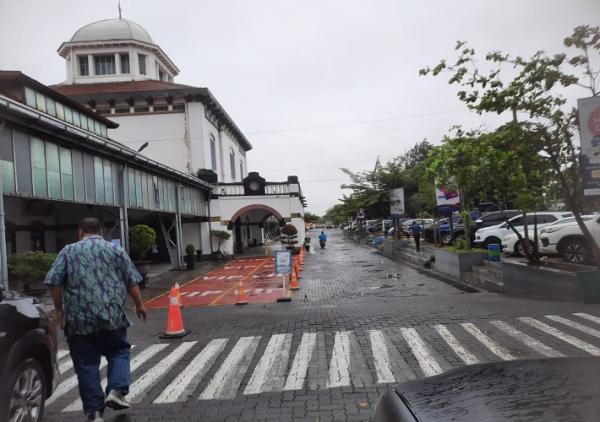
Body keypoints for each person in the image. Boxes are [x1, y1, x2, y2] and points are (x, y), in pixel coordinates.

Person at [44, 217, 147, 422]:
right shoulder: (115, 250)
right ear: (101, 231)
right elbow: (131, 280)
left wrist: (58, 309)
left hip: (79, 319)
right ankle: (116, 390)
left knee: (86, 364)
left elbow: (53, 281)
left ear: (80, 231)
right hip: (113, 317)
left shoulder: (68, 251)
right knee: (119, 351)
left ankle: (94, 412)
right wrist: (140, 304)